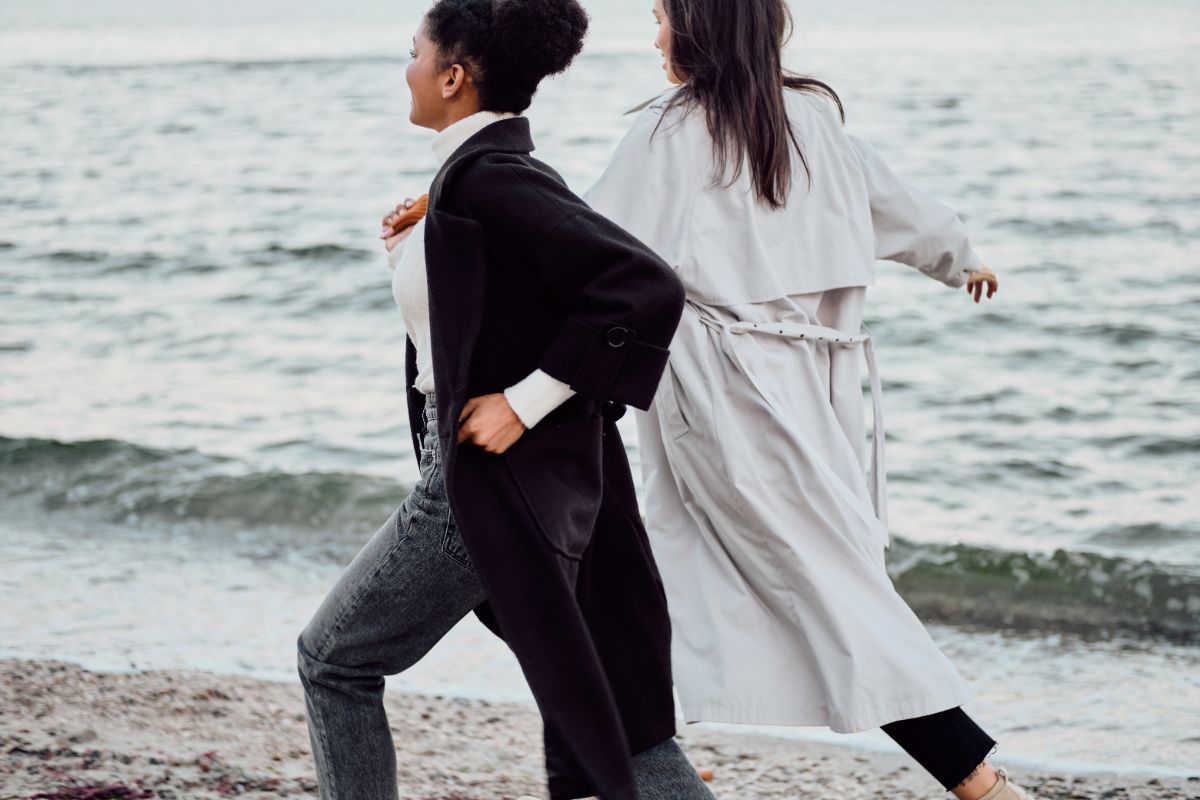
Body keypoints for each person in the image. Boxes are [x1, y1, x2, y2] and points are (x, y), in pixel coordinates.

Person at [583, 1, 1036, 799]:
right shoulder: (805, 117)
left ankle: (981, 782)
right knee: (766, 572)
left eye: (659, 16)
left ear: (699, 25)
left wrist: (468, 226)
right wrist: (958, 255)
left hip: (726, 398)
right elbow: (899, 207)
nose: (652, 35)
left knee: (824, 581)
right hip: (809, 392)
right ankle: (632, 748)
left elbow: (583, 240)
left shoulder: (677, 130)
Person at [296, 2, 717, 799]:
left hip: (484, 490)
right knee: (610, 720)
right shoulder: (475, 178)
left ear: (453, 76)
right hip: (536, 486)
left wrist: (523, 401)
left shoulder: (490, 179)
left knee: (334, 661)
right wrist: (421, 246)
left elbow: (643, 287)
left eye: (414, 52)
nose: (407, 67)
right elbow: (515, 302)